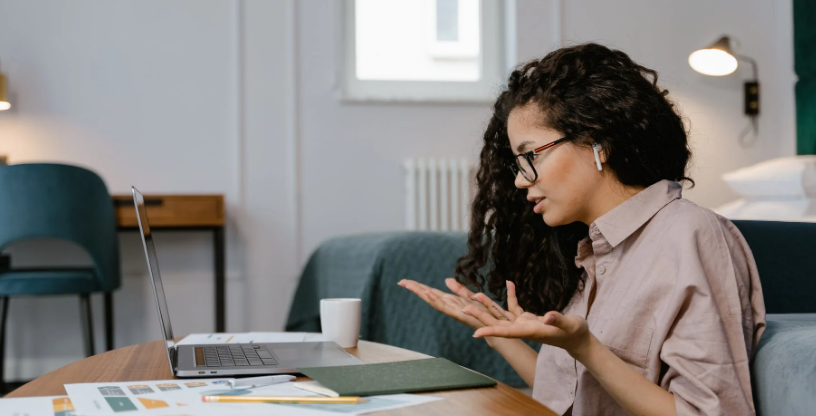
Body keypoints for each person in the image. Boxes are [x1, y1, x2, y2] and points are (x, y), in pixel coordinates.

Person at [398, 43, 766, 416]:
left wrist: (587, 348)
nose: (521, 182)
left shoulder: (690, 234)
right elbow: (571, 396)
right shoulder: (591, 251)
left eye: (531, 156)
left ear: (597, 142)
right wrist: (499, 335)